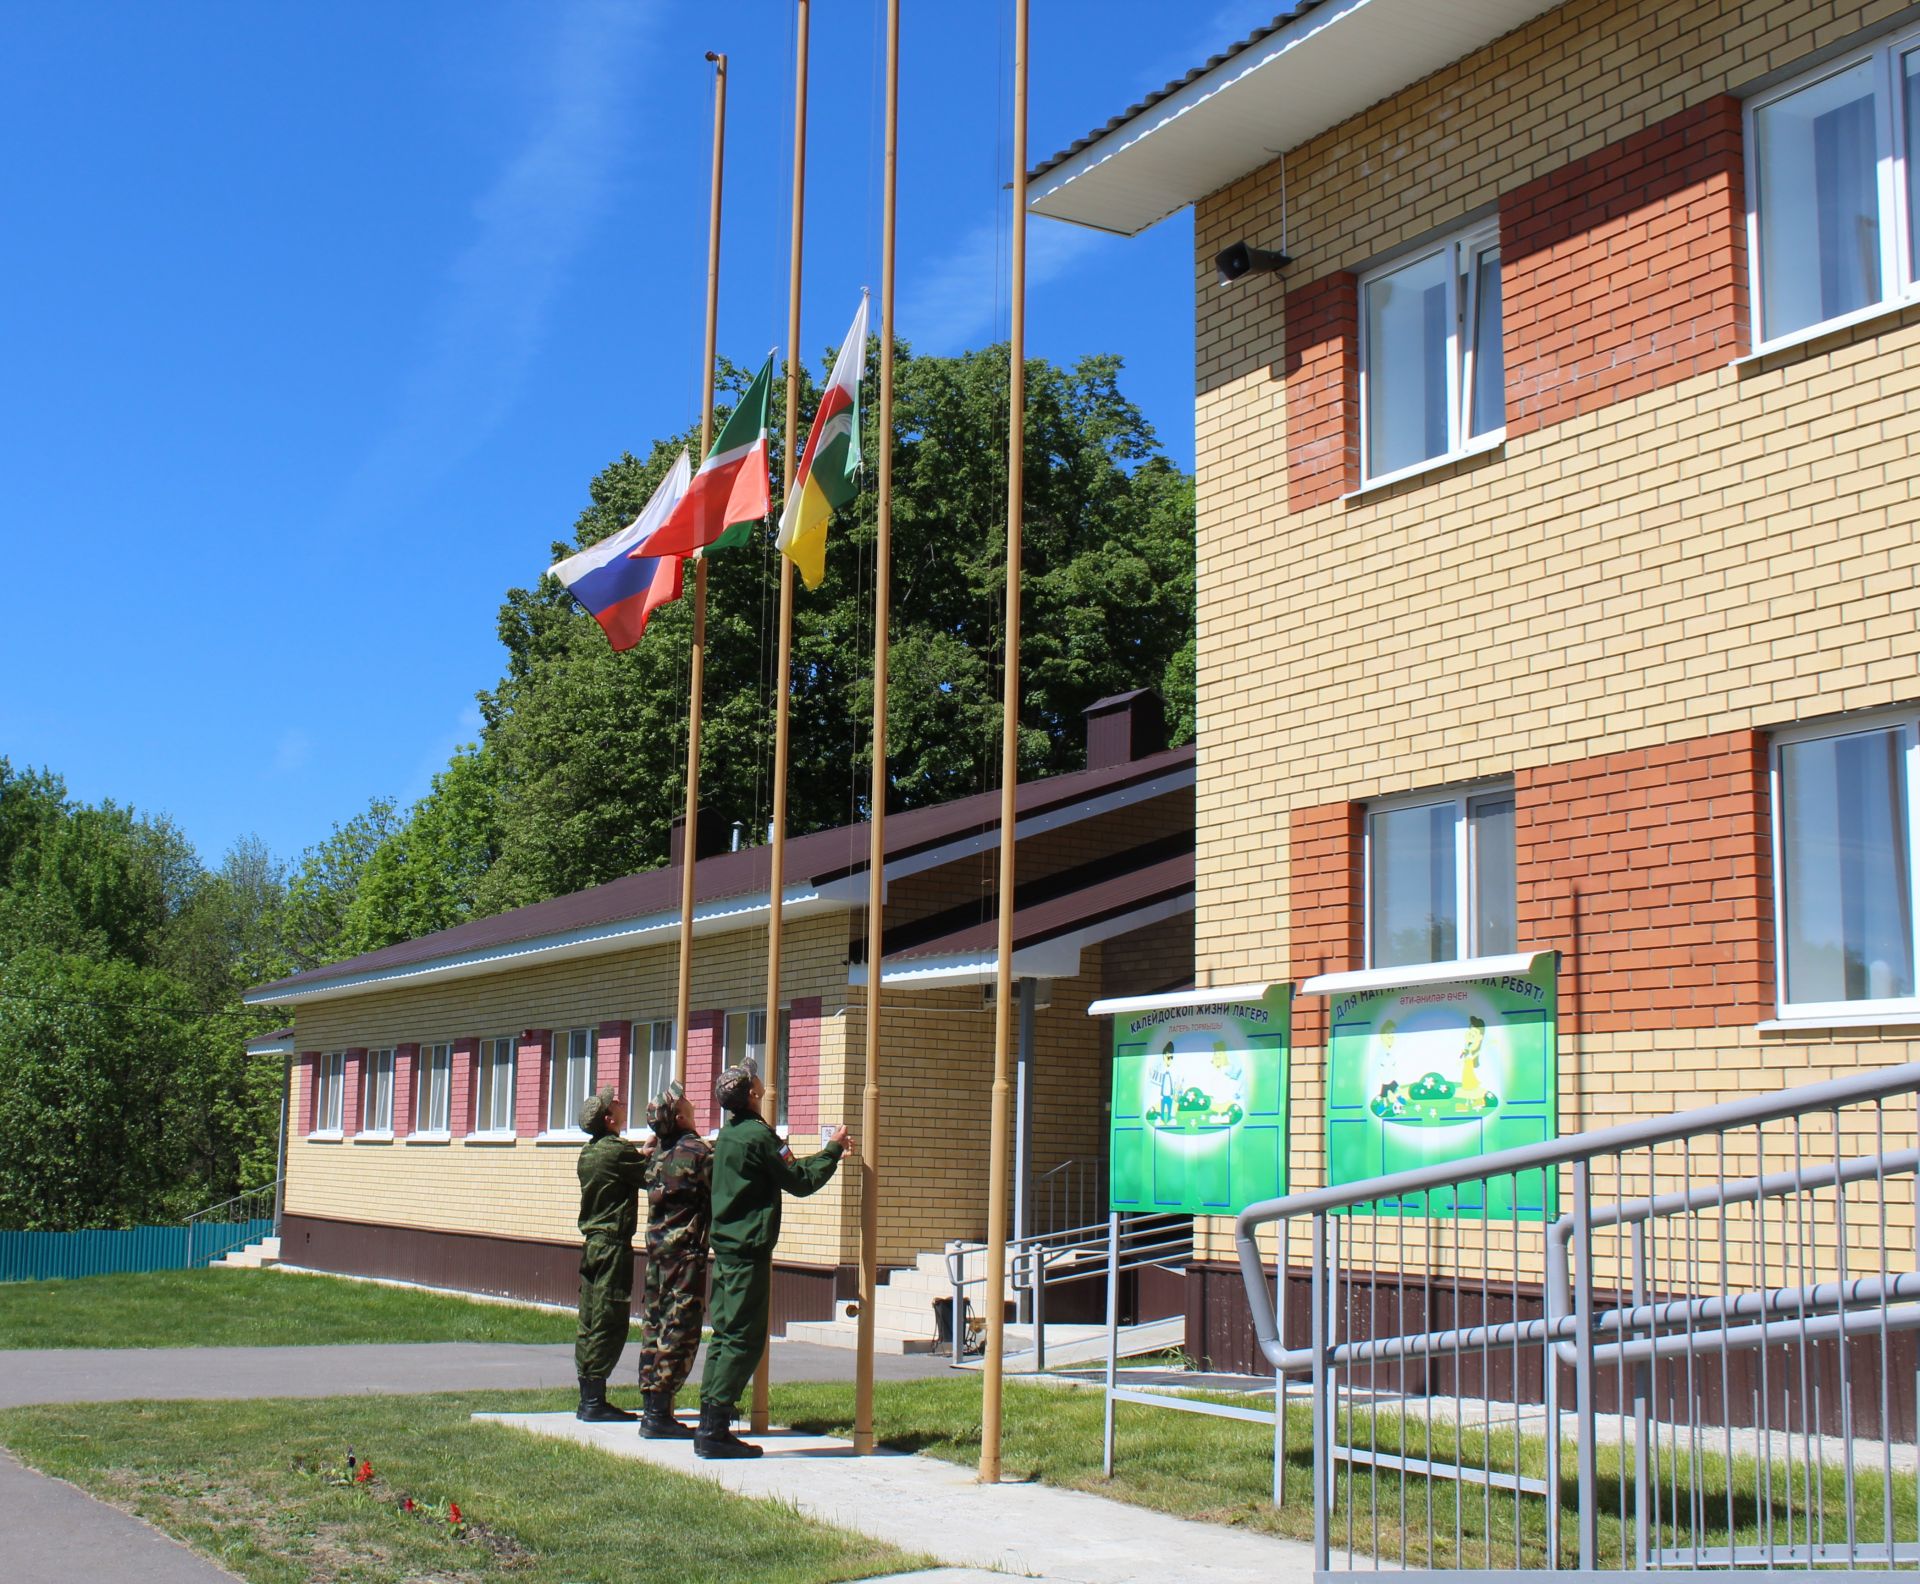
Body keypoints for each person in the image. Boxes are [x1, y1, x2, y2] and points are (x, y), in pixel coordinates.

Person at [696, 1059, 851, 1459]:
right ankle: (714, 1432)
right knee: (744, 1340)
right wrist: (832, 1149)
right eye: (757, 1082)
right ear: (750, 1094)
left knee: (725, 1335)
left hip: (728, 1249)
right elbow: (799, 1180)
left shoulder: (729, 1134)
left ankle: (709, 1422)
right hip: (747, 1251)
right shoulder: (757, 1136)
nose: (764, 1085)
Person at [635, 1078, 711, 1440]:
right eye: (686, 1102)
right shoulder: (697, 1153)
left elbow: (644, 1171)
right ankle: (659, 1414)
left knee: (654, 1323)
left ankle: (652, 1404)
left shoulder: (656, 1156)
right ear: (680, 1115)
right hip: (685, 1255)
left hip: (657, 1255)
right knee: (679, 1328)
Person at [574, 1084, 649, 1423]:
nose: (621, 1103)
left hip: (593, 1244)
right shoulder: (618, 1150)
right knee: (609, 1317)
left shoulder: (590, 1152)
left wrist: (641, 1153)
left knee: (590, 1317)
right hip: (612, 1246)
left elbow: (630, 1165)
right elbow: (649, 1175)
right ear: (608, 1118)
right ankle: (594, 1401)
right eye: (614, 1103)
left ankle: (589, 1394)